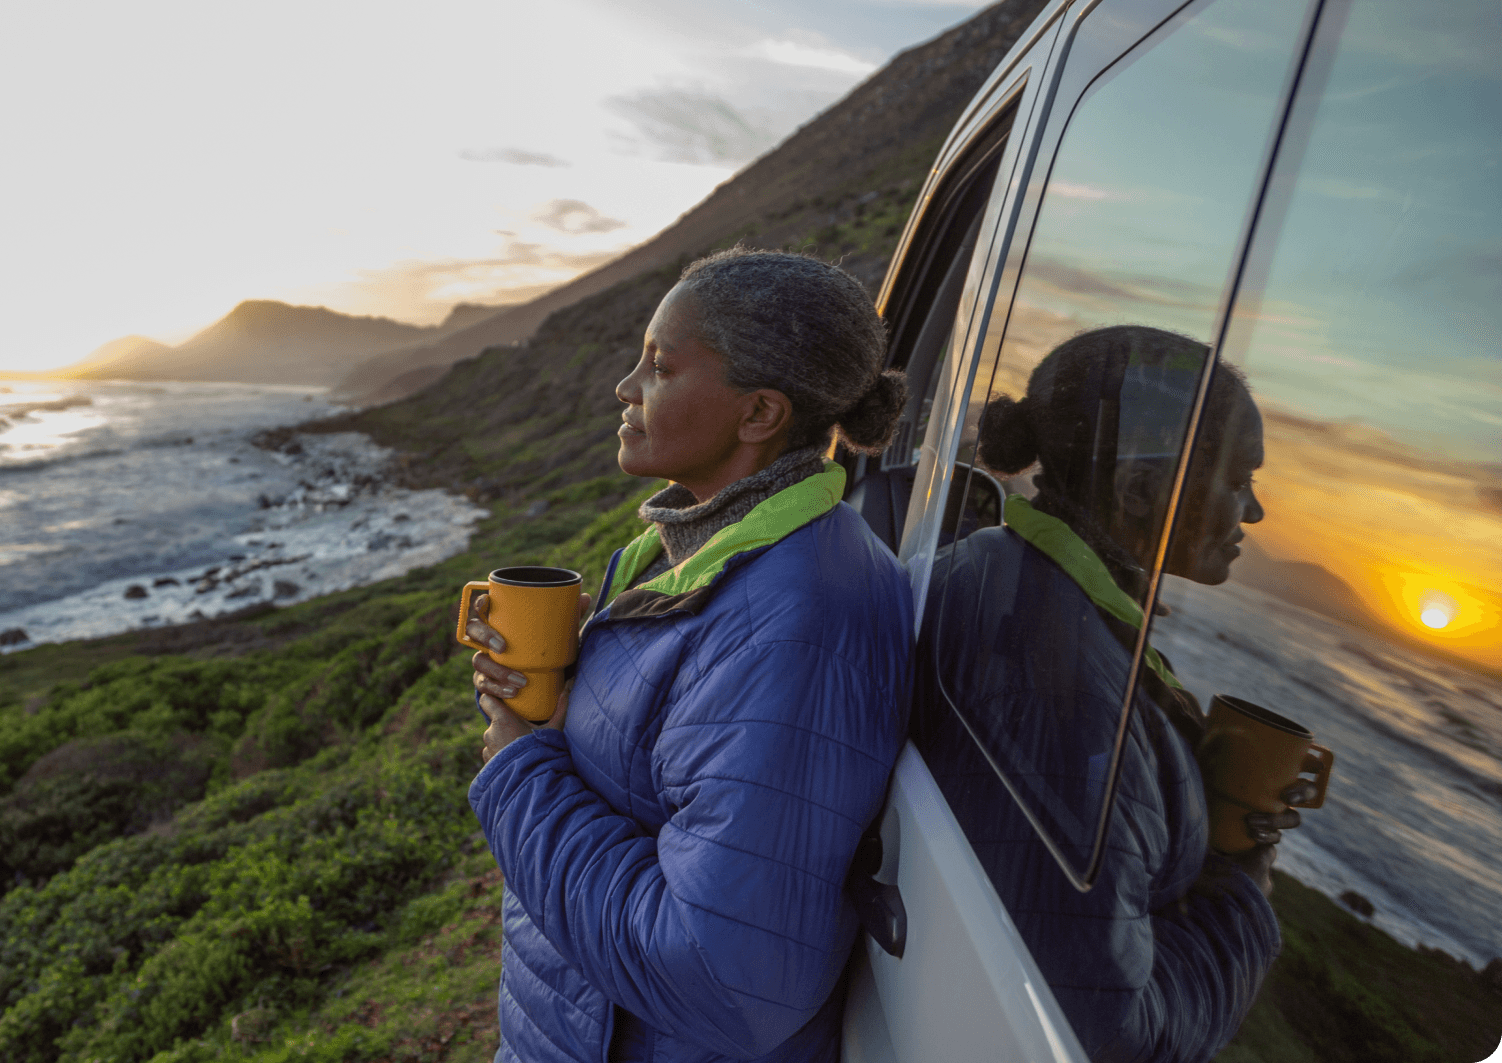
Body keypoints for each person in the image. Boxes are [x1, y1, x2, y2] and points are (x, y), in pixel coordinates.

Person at [463, 247, 915, 1063]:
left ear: (758, 415)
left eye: (660, 367)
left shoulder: (795, 624)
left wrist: (523, 771)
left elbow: (720, 976)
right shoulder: (682, 552)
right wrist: (562, 707)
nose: (625, 388)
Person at [915, 325, 1300, 1063]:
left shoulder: (1000, 566)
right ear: (1139, 490)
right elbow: (1102, 1035)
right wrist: (1242, 889)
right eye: (1238, 479)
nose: (1252, 512)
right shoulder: (1069, 693)